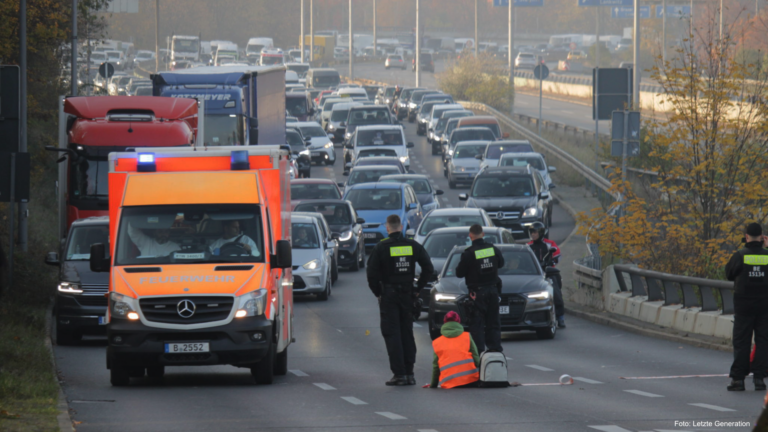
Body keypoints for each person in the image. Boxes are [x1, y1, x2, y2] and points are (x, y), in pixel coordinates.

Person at [367, 214, 434, 386]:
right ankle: (410, 373)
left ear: (387, 227)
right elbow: (428, 267)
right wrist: (417, 288)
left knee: (392, 334)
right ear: (402, 226)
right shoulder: (412, 245)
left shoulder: (381, 248)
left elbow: (372, 274)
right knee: (407, 333)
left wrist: (378, 293)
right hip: (407, 296)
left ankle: (399, 374)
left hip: (389, 296)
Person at [726, 223, 768, 392]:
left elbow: (729, 274)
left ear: (747, 236)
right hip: (765, 305)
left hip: (744, 305)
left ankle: (738, 380)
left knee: (742, 341)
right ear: (762, 236)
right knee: (763, 341)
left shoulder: (740, 255)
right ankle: (759, 379)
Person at [455, 224, 504, 352]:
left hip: (477, 294)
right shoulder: (492, 249)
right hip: (493, 291)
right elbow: (501, 263)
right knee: (493, 323)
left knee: (477, 325)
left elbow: (459, 273)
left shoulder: (469, 254)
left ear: (470, 236)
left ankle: (479, 355)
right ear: (483, 234)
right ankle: (495, 353)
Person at [527, 221, 565, 328]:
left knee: (556, 293)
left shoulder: (550, 244)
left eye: (535, 232)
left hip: (548, 273)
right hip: (534, 274)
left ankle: (560, 317)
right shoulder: (528, 246)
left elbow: (558, 255)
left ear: (541, 232)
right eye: (531, 232)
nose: (533, 234)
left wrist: (551, 263)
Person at [429, 311, 480, 389]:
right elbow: (476, 357)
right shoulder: (467, 336)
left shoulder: (437, 342)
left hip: (449, 382)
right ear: (459, 321)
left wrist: (433, 385)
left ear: (444, 322)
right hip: (471, 380)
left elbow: (436, 366)